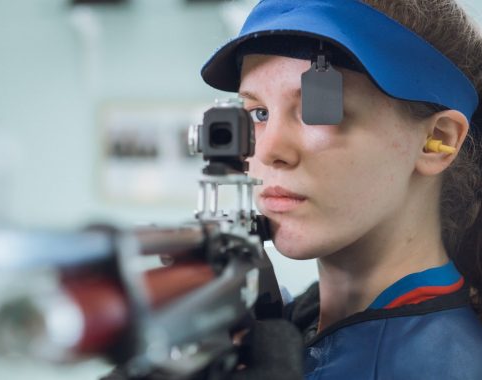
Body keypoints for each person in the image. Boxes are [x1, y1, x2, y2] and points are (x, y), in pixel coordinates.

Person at [199, 0, 482, 378]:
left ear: (437, 140)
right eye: (259, 113)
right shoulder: (306, 321)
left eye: (319, 109)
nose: (268, 151)